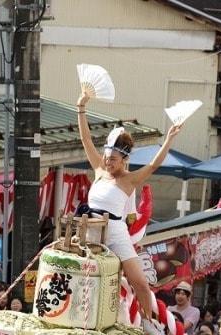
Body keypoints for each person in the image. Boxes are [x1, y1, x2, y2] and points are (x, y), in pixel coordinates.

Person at [77, 90, 182, 319]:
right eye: (107, 157)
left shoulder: (128, 179)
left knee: (140, 283)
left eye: (113, 159)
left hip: (115, 231)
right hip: (90, 229)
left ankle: (148, 321)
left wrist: (169, 140)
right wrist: (81, 108)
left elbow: (153, 165)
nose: (108, 162)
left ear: (124, 160)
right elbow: (86, 139)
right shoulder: (99, 169)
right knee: (83, 276)